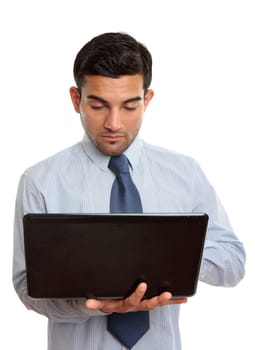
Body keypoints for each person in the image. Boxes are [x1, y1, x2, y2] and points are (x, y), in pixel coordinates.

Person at [13, 32, 246, 350]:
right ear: (76, 99)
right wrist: (90, 304)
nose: (113, 123)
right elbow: (27, 287)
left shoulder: (184, 173)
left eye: (129, 106)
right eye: (98, 105)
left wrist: (172, 259)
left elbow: (233, 262)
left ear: (147, 100)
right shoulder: (40, 180)